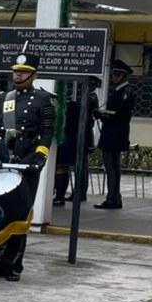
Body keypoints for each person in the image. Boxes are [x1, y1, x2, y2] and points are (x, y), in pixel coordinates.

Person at [0, 50, 54, 282]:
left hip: (25, 163)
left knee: (19, 214)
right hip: (0, 162)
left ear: (34, 75)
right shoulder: (3, 99)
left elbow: (47, 132)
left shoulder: (43, 101)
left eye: (23, 72)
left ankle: (14, 264)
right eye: (15, 71)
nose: (18, 75)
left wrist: (39, 158)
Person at [94, 60, 135, 209]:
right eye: (113, 74)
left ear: (124, 76)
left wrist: (101, 115)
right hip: (113, 134)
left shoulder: (125, 93)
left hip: (115, 135)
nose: (114, 77)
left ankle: (112, 198)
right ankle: (114, 197)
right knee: (113, 167)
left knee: (111, 168)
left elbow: (118, 115)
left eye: (117, 74)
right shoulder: (118, 91)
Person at [54, 76, 99, 205]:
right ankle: (78, 192)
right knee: (78, 165)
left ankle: (80, 192)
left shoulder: (91, 98)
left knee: (81, 165)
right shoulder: (85, 97)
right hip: (77, 134)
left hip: (83, 134)